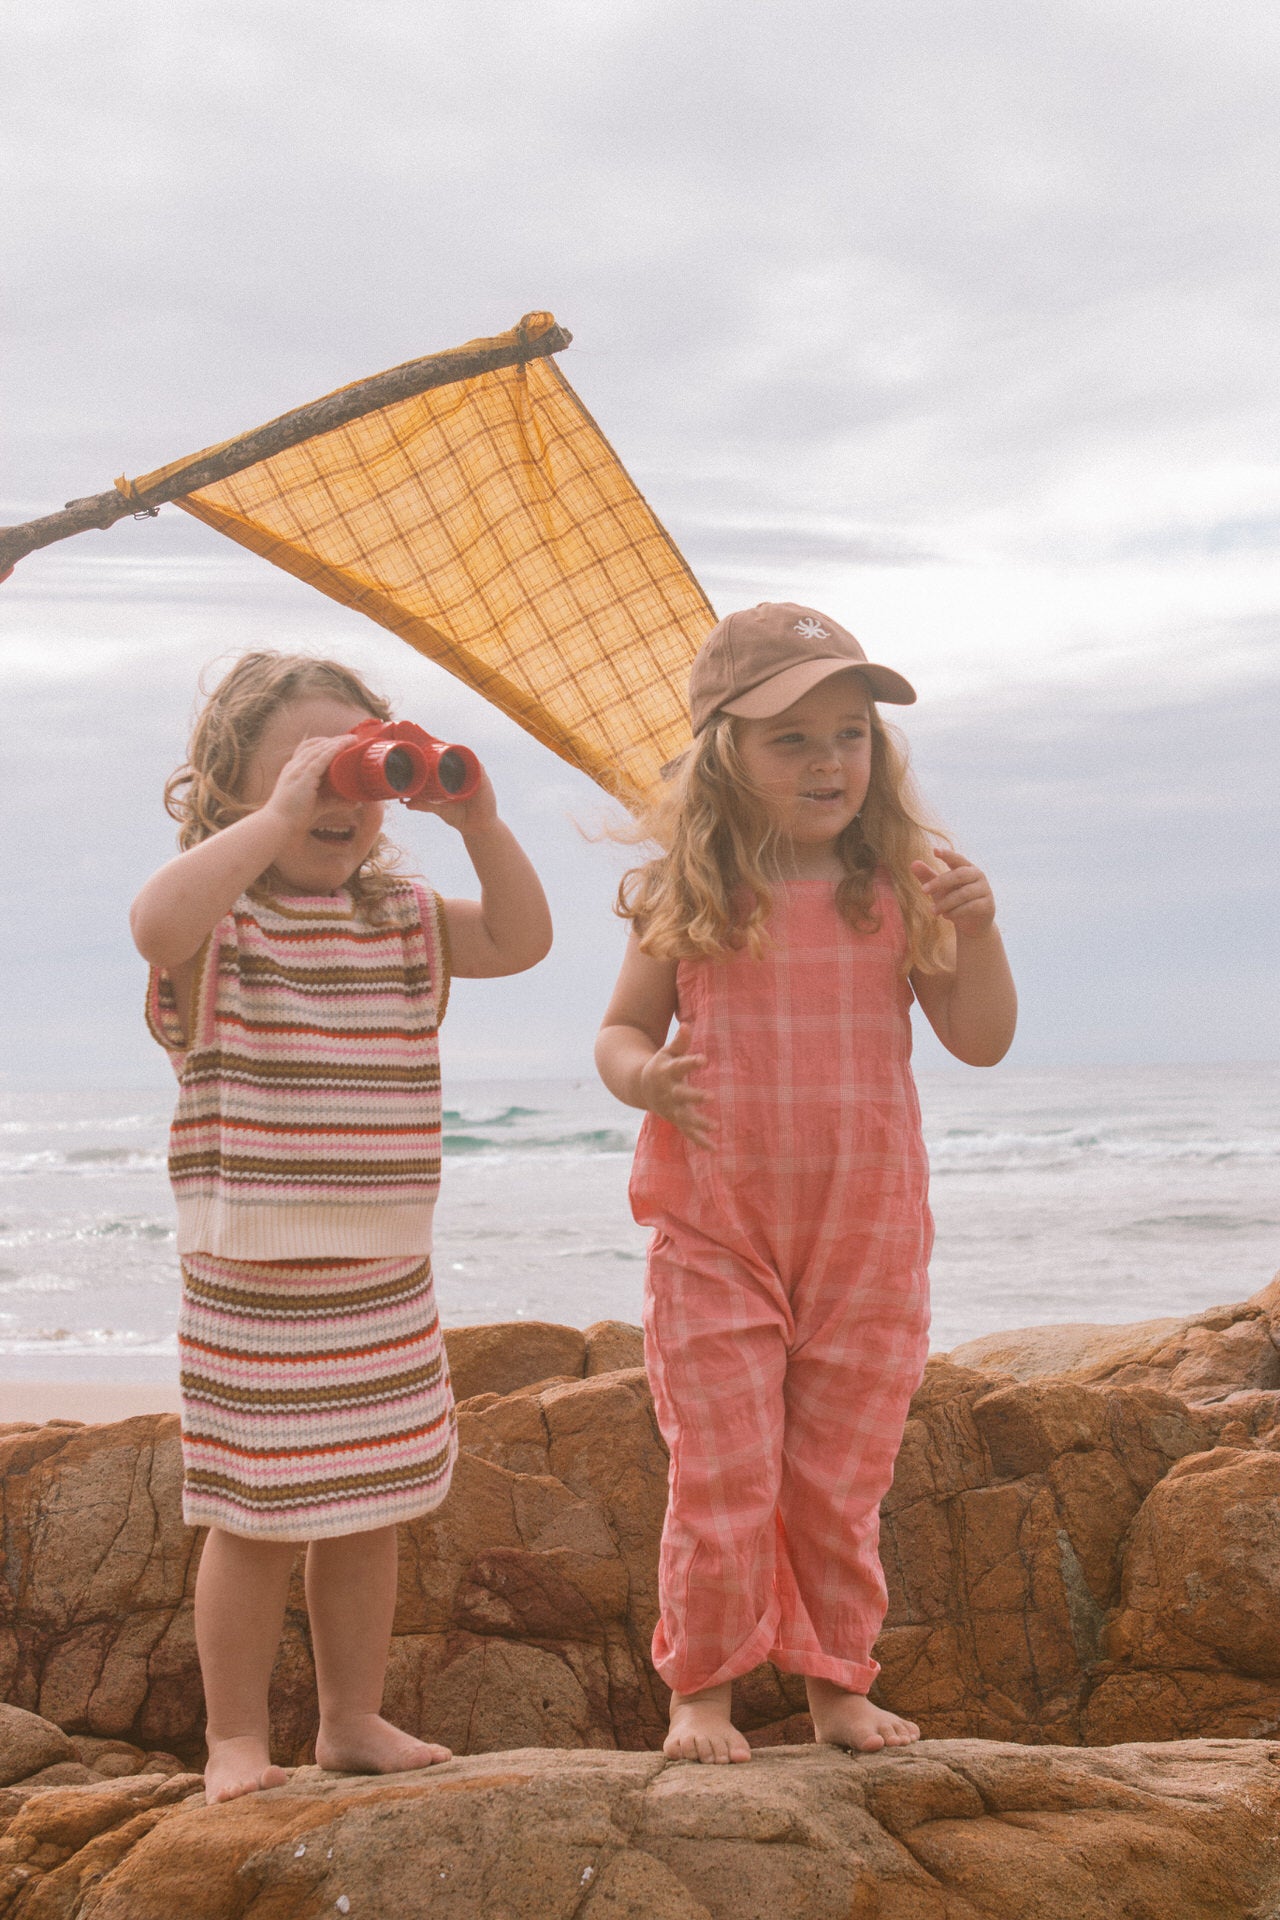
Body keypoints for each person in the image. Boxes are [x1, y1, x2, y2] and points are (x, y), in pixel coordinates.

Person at [596, 602, 1016, 1764]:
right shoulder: (688, 893)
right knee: (722, 1471)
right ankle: (703, 1691)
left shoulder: (899, 887)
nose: (828, 760)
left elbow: (979, 1039)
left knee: (839, 1477)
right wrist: (647, 1078)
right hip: (716, 1228)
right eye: (791, 739)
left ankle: (838, 1681)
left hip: (865, 1236)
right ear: (723, 752)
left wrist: (978, 935)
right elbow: (619, 1032)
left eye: (849, 733)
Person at [130, 652, 552, 1803]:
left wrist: (478, 826)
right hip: (252, 1275)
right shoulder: (221, 925)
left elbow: (521, 941)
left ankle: (350, 1719)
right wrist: (270, 819)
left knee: (371, 1510)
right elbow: (153, 921)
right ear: (231, 789)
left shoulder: (402, 919)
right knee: (255, 1517)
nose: (342, 802)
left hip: (378, 1268)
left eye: (368, 773)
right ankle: (232, 1739)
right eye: (316, 773)